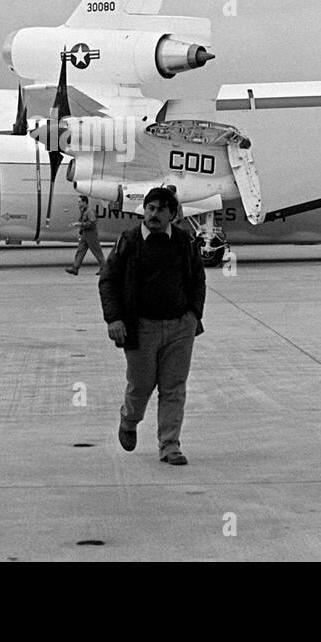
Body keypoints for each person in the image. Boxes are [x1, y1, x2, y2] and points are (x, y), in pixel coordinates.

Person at [98, 186, 205, 466]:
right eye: (150, 208)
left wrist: (194, 315)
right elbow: (108, 281)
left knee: (174, 388)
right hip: (140, 327)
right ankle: (129, 420)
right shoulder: (129, 241)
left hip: (180, 327)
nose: (154, 214)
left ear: (173, 214)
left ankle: (170, 445)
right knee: (141, 385)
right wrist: (114, 319)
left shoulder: (183, 241)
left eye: (161, 209)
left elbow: (197, 280)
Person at [64, 196, 105, 275]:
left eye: (79, 202)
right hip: (85, 233)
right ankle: (75, 268)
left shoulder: (90, 211)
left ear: (84, 202)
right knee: (80, 251)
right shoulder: (84, 211)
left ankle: (104, 268)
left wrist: (79, 224)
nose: (78, 203)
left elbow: (92, 223)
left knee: (97, 252)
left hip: (91, 234)